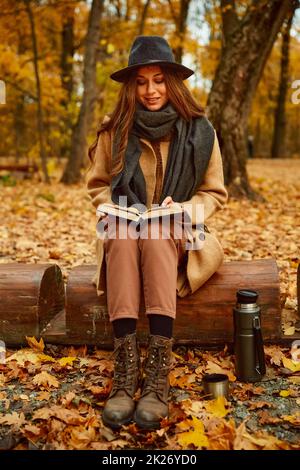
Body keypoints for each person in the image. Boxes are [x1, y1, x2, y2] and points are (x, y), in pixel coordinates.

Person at [86, 36, 228, 430]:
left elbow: (214, 192)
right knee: (127, 234)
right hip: (125, 229)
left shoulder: (200, 131)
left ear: (173, 84)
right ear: (131, 86)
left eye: (159, 80)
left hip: (183, 234)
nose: (151, 90)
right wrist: (112, 207)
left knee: (157, 232)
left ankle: (157, 377)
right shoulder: (115, 130)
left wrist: (182, 209)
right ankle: (126, 374)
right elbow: (97, 185)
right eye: (142, 82)